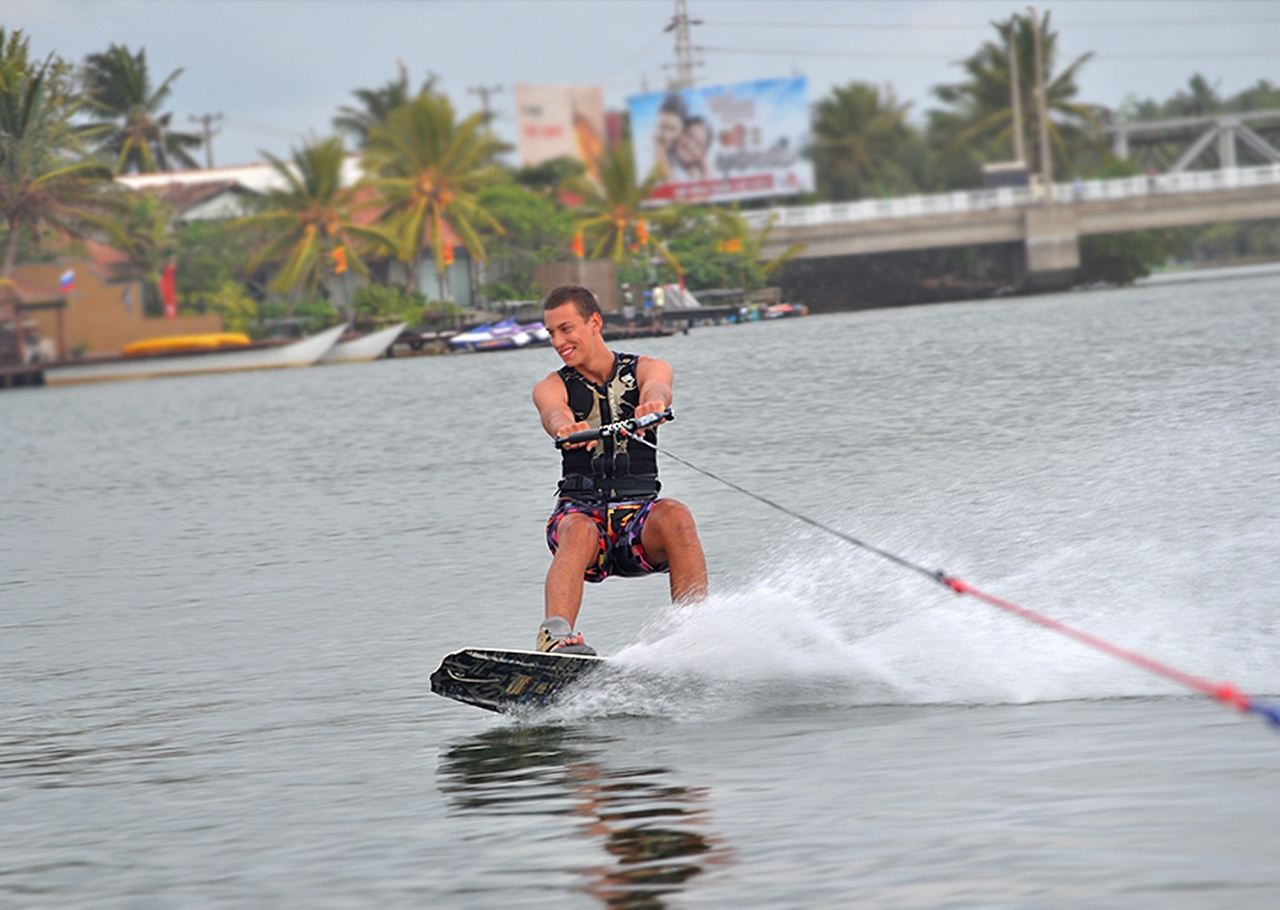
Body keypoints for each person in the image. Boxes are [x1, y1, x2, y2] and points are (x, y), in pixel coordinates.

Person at [531, 284, 707, 654]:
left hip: (637, 527)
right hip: (581, 519)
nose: (558, 341)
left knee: (677, 515)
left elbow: (658, 387)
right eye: (551, 333)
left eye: (566, 329)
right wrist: (565, 426)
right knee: (578, 529)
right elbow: (553, 411)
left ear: (594, 322)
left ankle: (695, 636)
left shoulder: (647, 367)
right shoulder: (551, 385)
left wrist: (652, 404)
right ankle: (556, 638)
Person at [670, 116, 713, 181]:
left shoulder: (697, 174)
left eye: (698, 144)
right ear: (680, 132)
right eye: (689, 135)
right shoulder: (664, 163)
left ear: (703, 154)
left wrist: (706, 170)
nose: (690, 145)